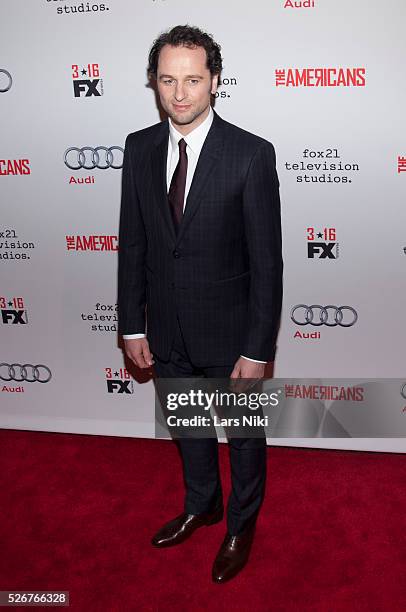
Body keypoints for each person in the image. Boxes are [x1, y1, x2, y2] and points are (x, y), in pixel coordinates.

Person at [117, 24, 283, 583]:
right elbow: (132, 242)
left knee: (242, 436)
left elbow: (267, 263)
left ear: (214, 81)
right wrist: (131, 325)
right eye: (168, 80)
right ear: (154, 83)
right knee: (187, 427)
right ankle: (203, 504)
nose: (180, 93)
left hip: (232, 334)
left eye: (193, 79)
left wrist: (258, 347)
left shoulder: (251, 154)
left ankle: (241, 522)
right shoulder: (138, 148)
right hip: (165, 329)